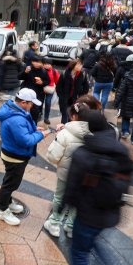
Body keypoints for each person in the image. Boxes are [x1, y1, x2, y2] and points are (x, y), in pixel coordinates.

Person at [53, 110, 133, 265]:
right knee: (92, 242)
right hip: (111, 211)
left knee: (79, 252)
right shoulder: (121, 151)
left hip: (88, 214)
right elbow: (128, 179)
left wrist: (61, 207)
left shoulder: (84, 153)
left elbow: (72, 186)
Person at [0, 88, 51, 225]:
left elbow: (22, 132)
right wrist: (40, 135)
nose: (32, 106)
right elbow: (26, 141)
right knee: (10, 184)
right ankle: (2, 210)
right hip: (15, 156)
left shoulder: (14, 109)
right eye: (31, 103)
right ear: (24, 102)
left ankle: (7, 202)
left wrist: (34, 129)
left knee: (10, 181)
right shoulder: (16, 118)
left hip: (12, 153)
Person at [43, 101, 91, 238]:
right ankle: (70, 226)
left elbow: (53, 157)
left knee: (60, 197)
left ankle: (54, 224)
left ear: (74, 117)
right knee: (78, 200)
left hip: (66, 173)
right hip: (85, 175)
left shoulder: (65, 134)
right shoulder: (93, 133)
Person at [55, 59, 90, 125]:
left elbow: (86, 87)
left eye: (81, 65)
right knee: (65, 114)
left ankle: (69, 129)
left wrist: (81, 96)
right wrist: (61, 96)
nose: (80, 66)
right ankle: (63, 129)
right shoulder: (65, 73)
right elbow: (58, 86)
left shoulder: (82, 75)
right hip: (65, 98)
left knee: (72, 115)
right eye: (78, 65)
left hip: (76, 99)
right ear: (73, 66)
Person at [20, 55, 50, 122]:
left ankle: (33, 125)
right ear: (32, 62)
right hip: (26, 93)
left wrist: (42, 82)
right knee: (23, 110)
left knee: (35, 112)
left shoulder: (44, 71)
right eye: (35, 62)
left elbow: (48, 81)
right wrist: (25, 72)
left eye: (39, 62)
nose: (37, 64)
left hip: (37, 94)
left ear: (42, 63)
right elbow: (19, 77)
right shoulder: (28, 68)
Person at [42, 58, 59, 125]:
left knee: (48, 103)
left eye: (48, 64)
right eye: (45, 64)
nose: (47, 65)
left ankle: (46, 118)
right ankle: (39, 113)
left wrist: (58, 90)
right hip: (41, 89)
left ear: (51, 65)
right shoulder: (40, 70)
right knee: (39, 104)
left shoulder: (54, 71)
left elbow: (58, 81)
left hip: (50, 90)